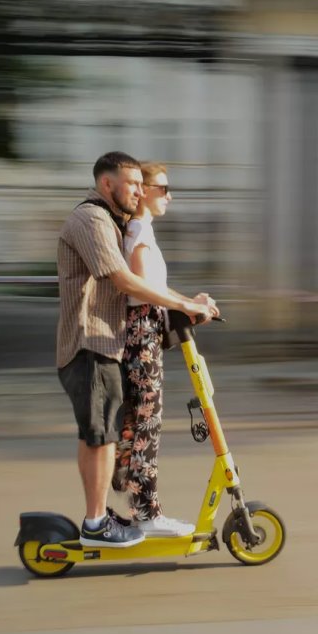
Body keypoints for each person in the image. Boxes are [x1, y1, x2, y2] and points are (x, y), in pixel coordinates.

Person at [56, 151, 216, 548]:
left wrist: (186, 304)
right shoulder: (90, 219)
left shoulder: (116, 221)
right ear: (107, 183)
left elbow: (147, 287)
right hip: (87, 341)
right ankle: (96, 524)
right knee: (100, 433)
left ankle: (114, 514)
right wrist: (184, 305)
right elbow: (126, 282)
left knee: (110, 431)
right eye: (133, 184)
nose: (140, 191)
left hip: (106, 343)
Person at [112, 162, 213, 536]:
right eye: (163, 188)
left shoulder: (144, 232)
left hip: (147, 333)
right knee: (146, 424)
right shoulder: (137, 230)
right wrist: (186, 306)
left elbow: (156, 290)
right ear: (145, 192)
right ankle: (147, 513)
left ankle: (137, 498)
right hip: (141, 336)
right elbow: (138, 290)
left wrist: (192, 302)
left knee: (144, 423)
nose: (169, 196)